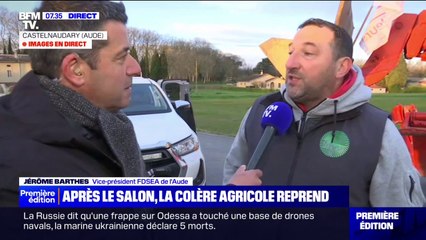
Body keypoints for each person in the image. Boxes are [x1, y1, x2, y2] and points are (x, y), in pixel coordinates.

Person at [0, 1, 260, 206]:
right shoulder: (26, 172)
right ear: (76, 70)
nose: (136, 68)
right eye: (121, 56)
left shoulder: (91, 126)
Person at [223, 18, 426, 207]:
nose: (290, 63)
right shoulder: (259, 112)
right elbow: (231, 176)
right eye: (291, 52)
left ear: (341, 67)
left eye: (308, 53)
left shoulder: (379, 132)